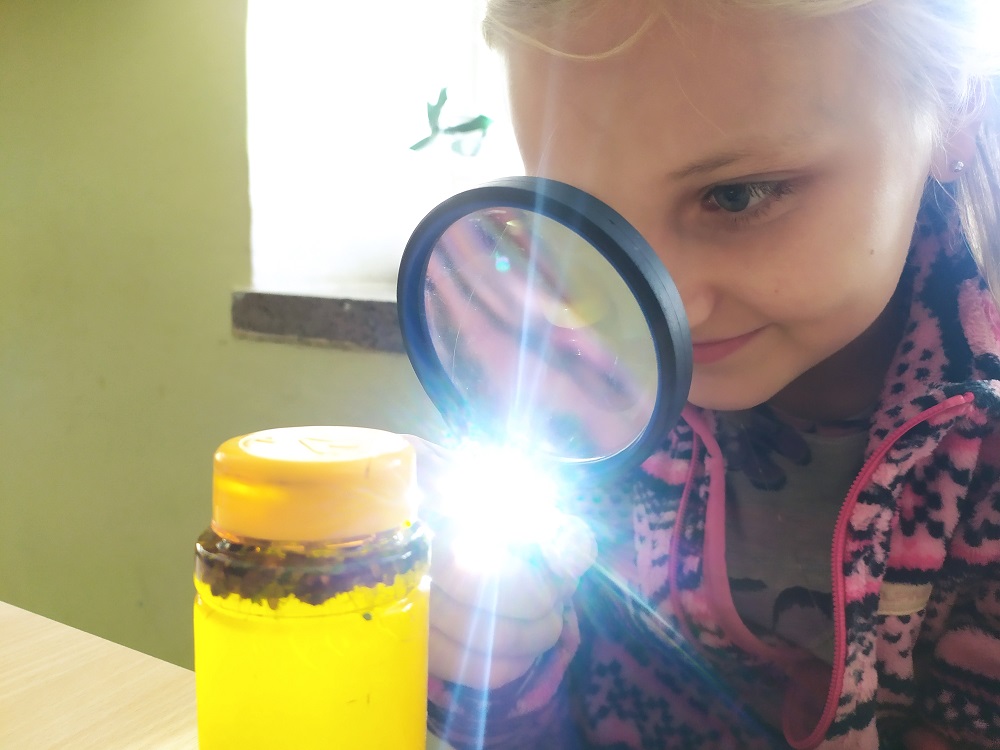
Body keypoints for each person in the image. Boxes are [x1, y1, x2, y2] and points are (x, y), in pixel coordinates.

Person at [415, 1, 1000, 747]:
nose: (662, 308)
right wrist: (490, 665)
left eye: (736, 196)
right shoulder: (563, 393)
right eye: (584, 219)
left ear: (956, 106)